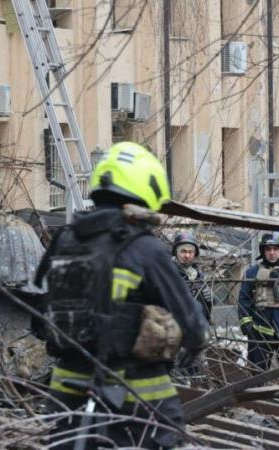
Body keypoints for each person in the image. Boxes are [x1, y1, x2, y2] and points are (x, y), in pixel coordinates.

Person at [34, 141, 209, 449]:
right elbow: (192, 324)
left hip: (66, 389)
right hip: (135, 398)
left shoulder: (64, 241)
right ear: (146, 189)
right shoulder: (144, 248)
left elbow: (39, 314)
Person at [237, 232, 279, 374]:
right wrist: (247, 326)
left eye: (276, 249)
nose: (272, 253)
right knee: (256, 374)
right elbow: (244, 300)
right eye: (268, 249)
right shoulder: (251, 273)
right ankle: (257, 396)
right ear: (263, 251)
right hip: (259, 332)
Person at [172, 231, 213, 322]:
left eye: (191, 252)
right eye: (183, 251)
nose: (187, 255)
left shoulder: (199, 276)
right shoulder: (168, 273)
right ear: (175, 252)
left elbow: (207, 308)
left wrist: (210, 298)